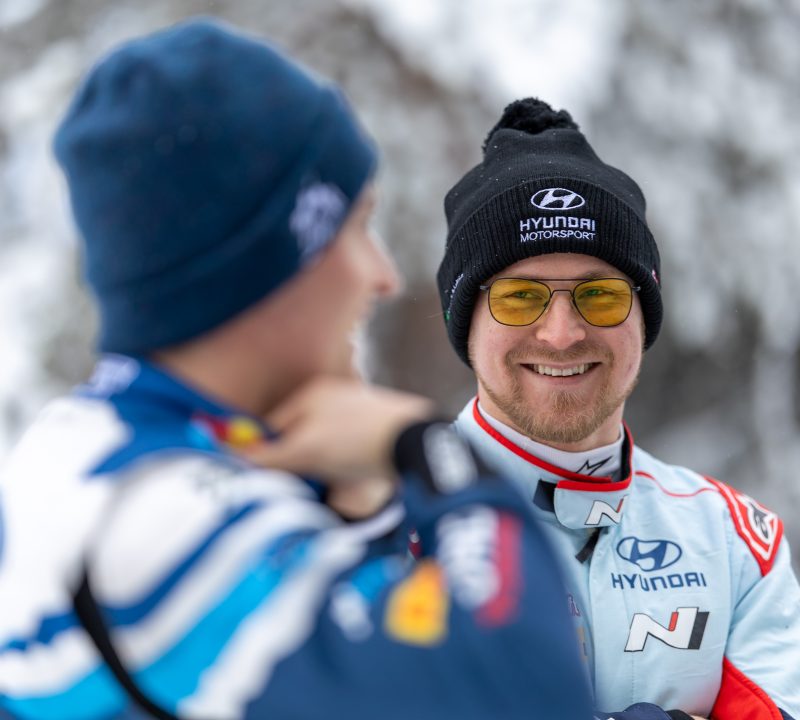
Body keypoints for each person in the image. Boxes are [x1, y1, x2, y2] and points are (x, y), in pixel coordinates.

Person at [0, 18, 599, 720]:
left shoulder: (125, 450)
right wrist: (423, 445)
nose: (382, 277)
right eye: (357, 228)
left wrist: (356, 508)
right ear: (275, 264)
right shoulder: (142, 512)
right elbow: (526, 687)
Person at [435, 96, 800, 719]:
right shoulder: (381, 521)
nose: (561, 334)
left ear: (643, 318)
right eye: (519, 297)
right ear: (466, 324)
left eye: (600, 296)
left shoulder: (735, 541)